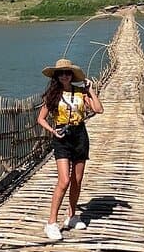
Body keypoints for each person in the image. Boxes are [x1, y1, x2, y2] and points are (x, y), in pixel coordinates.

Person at [37, 58, 103, 241]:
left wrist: (90, 89)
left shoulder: (81, 93)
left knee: (77, 179)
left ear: (72, 75)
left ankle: (72, 216)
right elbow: (41, 119)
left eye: (68, 73)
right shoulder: (52, 95)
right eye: (61, 73)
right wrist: (53, 131)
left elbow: (99, 109)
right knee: (64, 180)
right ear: (57, 76)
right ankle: (51, 222)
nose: (65, 76)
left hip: (80, 135)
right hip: (62, 137)